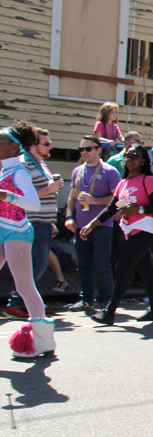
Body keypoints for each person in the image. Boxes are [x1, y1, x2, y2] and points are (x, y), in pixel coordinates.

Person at [81, 144, 153, 324]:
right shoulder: (123, 183)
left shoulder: (148, 180)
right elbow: (112, 208)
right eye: (128, 155)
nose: (130, 158)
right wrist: (91, 224)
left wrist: (138, 209)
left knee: (121, 268)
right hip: (131, 230)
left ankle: (109, 311)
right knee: (146, 271)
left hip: (146, 229)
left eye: (135, 156)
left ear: (143, 160)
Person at [0, 122, 56, 359]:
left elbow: (34, 204)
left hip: (17, 232)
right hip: (3, 229)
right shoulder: (4, 170)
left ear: (15, 147)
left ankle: (43, 340)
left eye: (0, 141)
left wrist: (7, 195)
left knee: (24, 286)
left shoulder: (19, 172)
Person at [4, 126, 64, 320]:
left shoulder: (31, 166)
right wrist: (49, 189)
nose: (50, 147)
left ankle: (35, 316)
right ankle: (19, 305)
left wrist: (51, 220)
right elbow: (25, 198)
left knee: (34, 270)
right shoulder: (20, 165)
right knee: (34, 269)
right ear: (32, 145)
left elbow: (34, 200)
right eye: (46, 144)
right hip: (21, 224)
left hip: (33, 224)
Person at [64, 136, 120, 310]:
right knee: (83, 265)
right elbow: (72, 197)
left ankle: (106, 301)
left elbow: (118, 198)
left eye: (88, 149)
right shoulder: (77, 171)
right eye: (81, 149)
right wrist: (69, 217)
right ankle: (87, 299)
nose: (84, 152)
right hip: (81, 225)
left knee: (102, 264)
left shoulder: (110, 171)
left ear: (98, 150)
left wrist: (94, 201)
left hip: (102, 225)